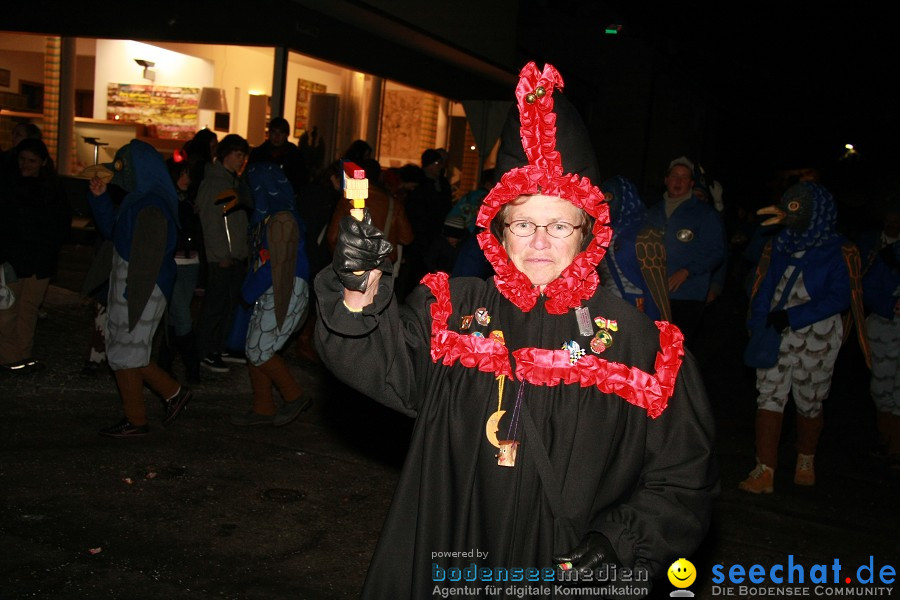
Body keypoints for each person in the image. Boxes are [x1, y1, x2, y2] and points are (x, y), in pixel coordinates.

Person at [315, 62, 717, 598]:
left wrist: (619, 542)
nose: (540, 242)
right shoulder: (455, 311)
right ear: (499, 231)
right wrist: (360, 293)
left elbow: (684, 476)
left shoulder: (639, 343)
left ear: (589, 232)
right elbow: (379, 362)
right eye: (524, 223)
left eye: (559, 225)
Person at [739, 181, 867, 493]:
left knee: (810, 398)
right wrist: (758, 323)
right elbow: (765, 287)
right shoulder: (779, 244)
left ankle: (806, 457)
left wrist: (795, 316)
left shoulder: (839, 250)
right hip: (776, 332)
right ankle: (765, 468)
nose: (785, 212)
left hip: (817, 335)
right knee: (769, 394)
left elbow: (839, 297)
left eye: (793, 207)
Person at [88, 139, 192, 437]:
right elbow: (114, 234)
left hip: (142, 287)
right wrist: (100, 199)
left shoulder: (152, 204)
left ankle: (137, 420)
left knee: (126, 352)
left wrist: (131, 292)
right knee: (126, 351)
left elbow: (149, 258)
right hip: (131, 284)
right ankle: (171, 394)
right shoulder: (140, 199)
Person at [230, 162, 312, 426]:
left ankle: (294, 395)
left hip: (283, 287)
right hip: (277, 287)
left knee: (259, 349)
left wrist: (247, 292)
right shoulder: (275, 217)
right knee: (255, 347)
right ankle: (262, 407)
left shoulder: (282, 219)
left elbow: (273, 265)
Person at [0, 138, 71, 372]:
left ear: (42, 163)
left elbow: (59, 225)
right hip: (14, 259)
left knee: (28, 309)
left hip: (39, 261)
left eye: (31, 161)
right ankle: (10, 357)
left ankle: (21, 355)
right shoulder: (9, 185)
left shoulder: (51, 189)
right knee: (8, 310)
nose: (25, 165)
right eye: (22, 159)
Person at [646, 156, 725, 348]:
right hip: (653, 295)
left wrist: (687, 271)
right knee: (652, 349)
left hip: (686, 296)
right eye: (674, 176)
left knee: (678, 352)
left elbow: (716, 252)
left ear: (691, 183)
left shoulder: (704, 214)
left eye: (684, 177)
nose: (678, 181)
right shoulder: (651, 213)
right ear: (666, 180)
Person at [195, 134, 251, 373]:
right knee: (215, 305)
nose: (241, 160)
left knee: (226, 304)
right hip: (222, 257)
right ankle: (205, 351)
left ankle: (218, 347)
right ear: (226, 154)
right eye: (237, 155)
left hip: (234, 254)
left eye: (243, 156)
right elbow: (211, 223)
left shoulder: (231, 182)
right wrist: (221, 255)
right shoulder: (215, 183)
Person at [858, 197, 900, 465]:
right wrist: (893, 304)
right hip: (885, 331)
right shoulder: (888, 255)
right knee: (883, 387)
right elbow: (868, 289)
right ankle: (888, 439)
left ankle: (896, 447)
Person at [598, 175, 671, 322]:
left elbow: (654, 286)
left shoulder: (645, 234)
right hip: (606, 308)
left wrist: (655, 325)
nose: (606, 204)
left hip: (636, 308)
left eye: (610, 197)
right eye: (602, 198)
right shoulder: (599, 231)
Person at [156, 157, 202, 383]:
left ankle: (164, 363)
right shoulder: (167, 200)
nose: (186, 179)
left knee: (176, 317)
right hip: (173, 263)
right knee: (182, 316)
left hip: (190, 263)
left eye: (188, 174)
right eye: (182, 174)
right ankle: (193, 368)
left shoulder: (189, 201)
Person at [326, 158, 414, 269]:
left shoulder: (348, 199)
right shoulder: (393, 204)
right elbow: (407, 238)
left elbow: (332, 237)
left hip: (351, 264)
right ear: (379, 176)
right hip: (381, 267)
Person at [248, 117, 308, 193]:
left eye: (281, 133)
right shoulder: (258, 153)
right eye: (274, 132)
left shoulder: (294, 154)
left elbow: (301, 180)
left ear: (286, 135)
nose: (277, 137)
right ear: (269, 133)